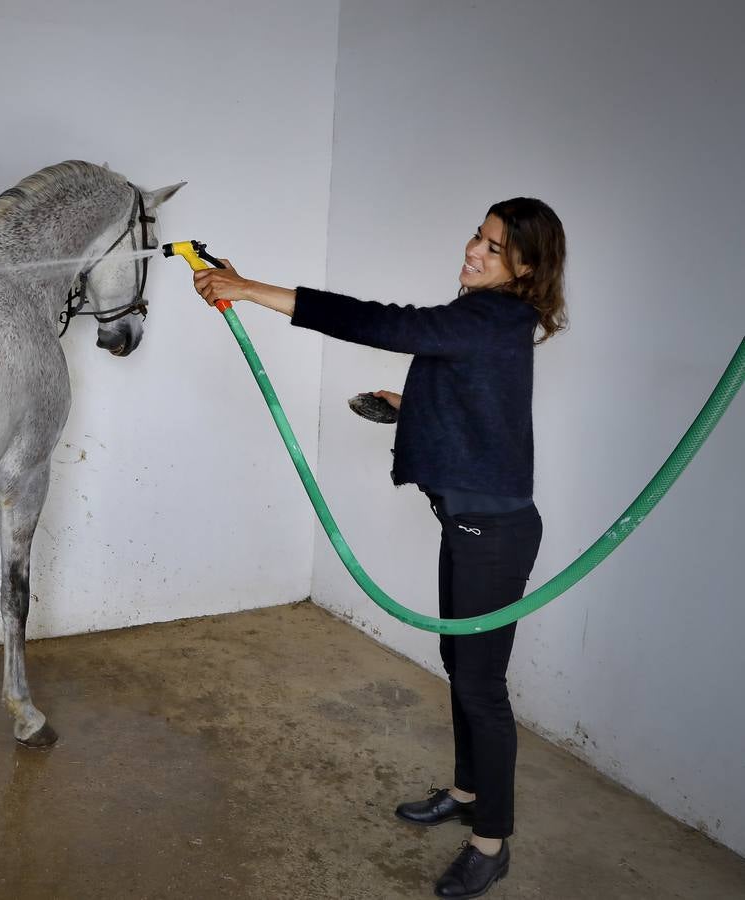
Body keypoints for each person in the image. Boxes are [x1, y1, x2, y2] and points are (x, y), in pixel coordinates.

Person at [192, 198, 567, 899]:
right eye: (477, 235)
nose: (474, 251)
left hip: (496, 535)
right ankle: (464, 792)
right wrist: (411, 406)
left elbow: (379, 321)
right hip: (471, 524)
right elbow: (486, 409)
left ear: (526, 265)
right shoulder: (493, 321)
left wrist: (248, 289)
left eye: (493, 246)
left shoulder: (489, 316)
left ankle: (493, 842)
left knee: (483, 686)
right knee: (460, 663)